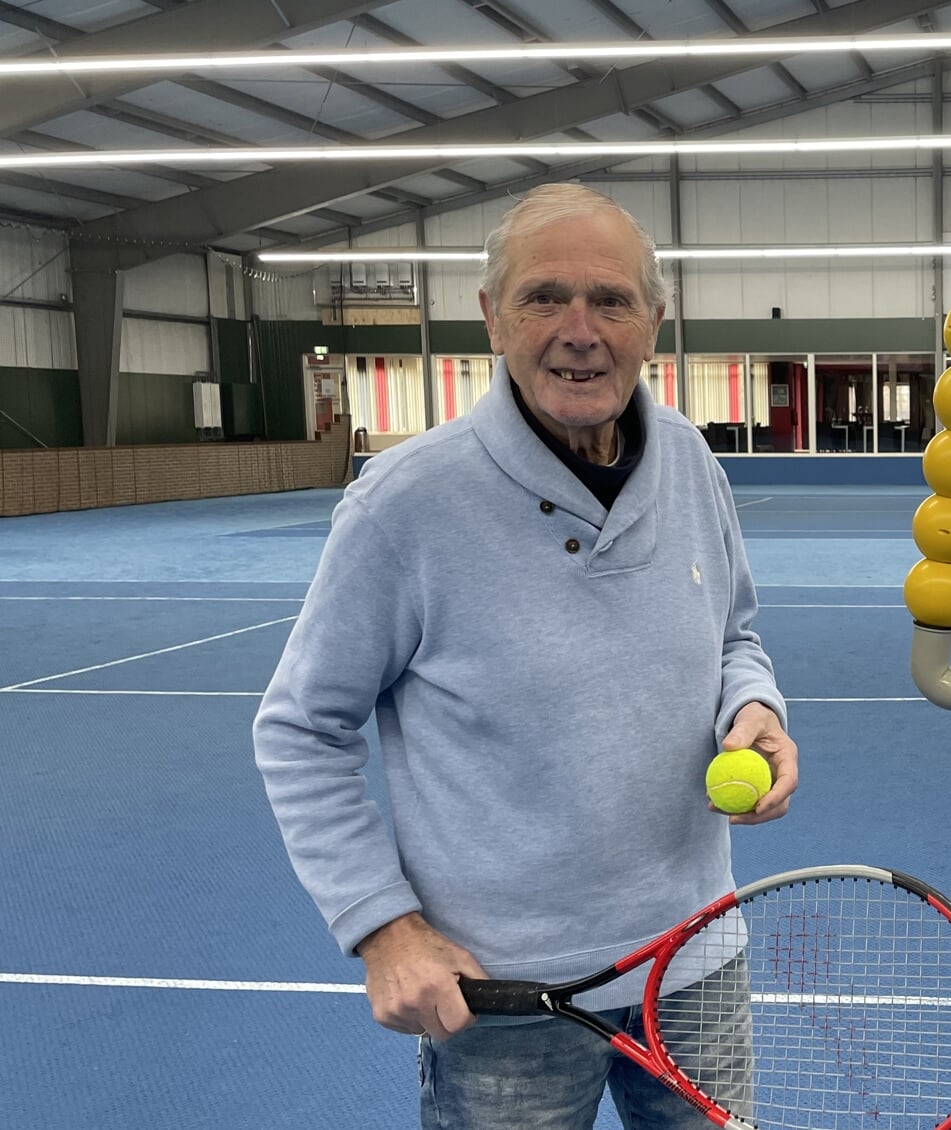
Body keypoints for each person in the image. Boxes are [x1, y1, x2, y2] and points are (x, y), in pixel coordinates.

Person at [253, 183, 798, 1130]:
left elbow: (734, 637)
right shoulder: (404, 506)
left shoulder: (690, 459)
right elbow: (302, 729)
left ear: (654, 323)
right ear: (491, 318)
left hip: (696, 961)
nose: (579, 330)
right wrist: (383, 926)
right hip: (503, 999)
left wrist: (753, 709)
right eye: (545, 297)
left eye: (612, 300)